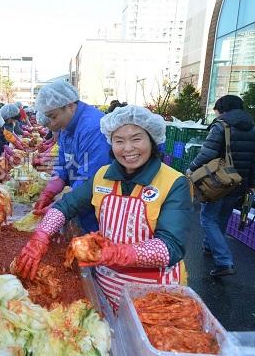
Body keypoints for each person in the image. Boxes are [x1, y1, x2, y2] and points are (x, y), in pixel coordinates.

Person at [15, 105, 193, 310]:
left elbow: (171, 246)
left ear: (152, 140)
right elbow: (66, 206)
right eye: (119, 140)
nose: (127, 149)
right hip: (107, 289)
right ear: (111, 143)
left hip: (154, 295)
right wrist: (41, 235)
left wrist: (117, 253)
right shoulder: (103, 175)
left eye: (136, 139)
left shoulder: (173, 182)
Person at [188, 95, 255, 277]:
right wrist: (251, 184)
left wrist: (191, 168)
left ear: (223, 109)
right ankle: (209, 247)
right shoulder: (254, 131)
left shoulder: (221, 126)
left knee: (207, 218)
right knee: (221, 218)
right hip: (239, 182)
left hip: (218, 181)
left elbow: (207, 153)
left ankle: (224, 261)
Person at [31, 80, 111, 233]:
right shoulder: (67, 126)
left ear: (70, 106)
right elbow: (63, 163)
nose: (52, 123)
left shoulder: (93, 127)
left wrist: (61, 206)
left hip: (98, 204)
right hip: (80, 199)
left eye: (53, 117)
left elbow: (90, 178)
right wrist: (49, 191)